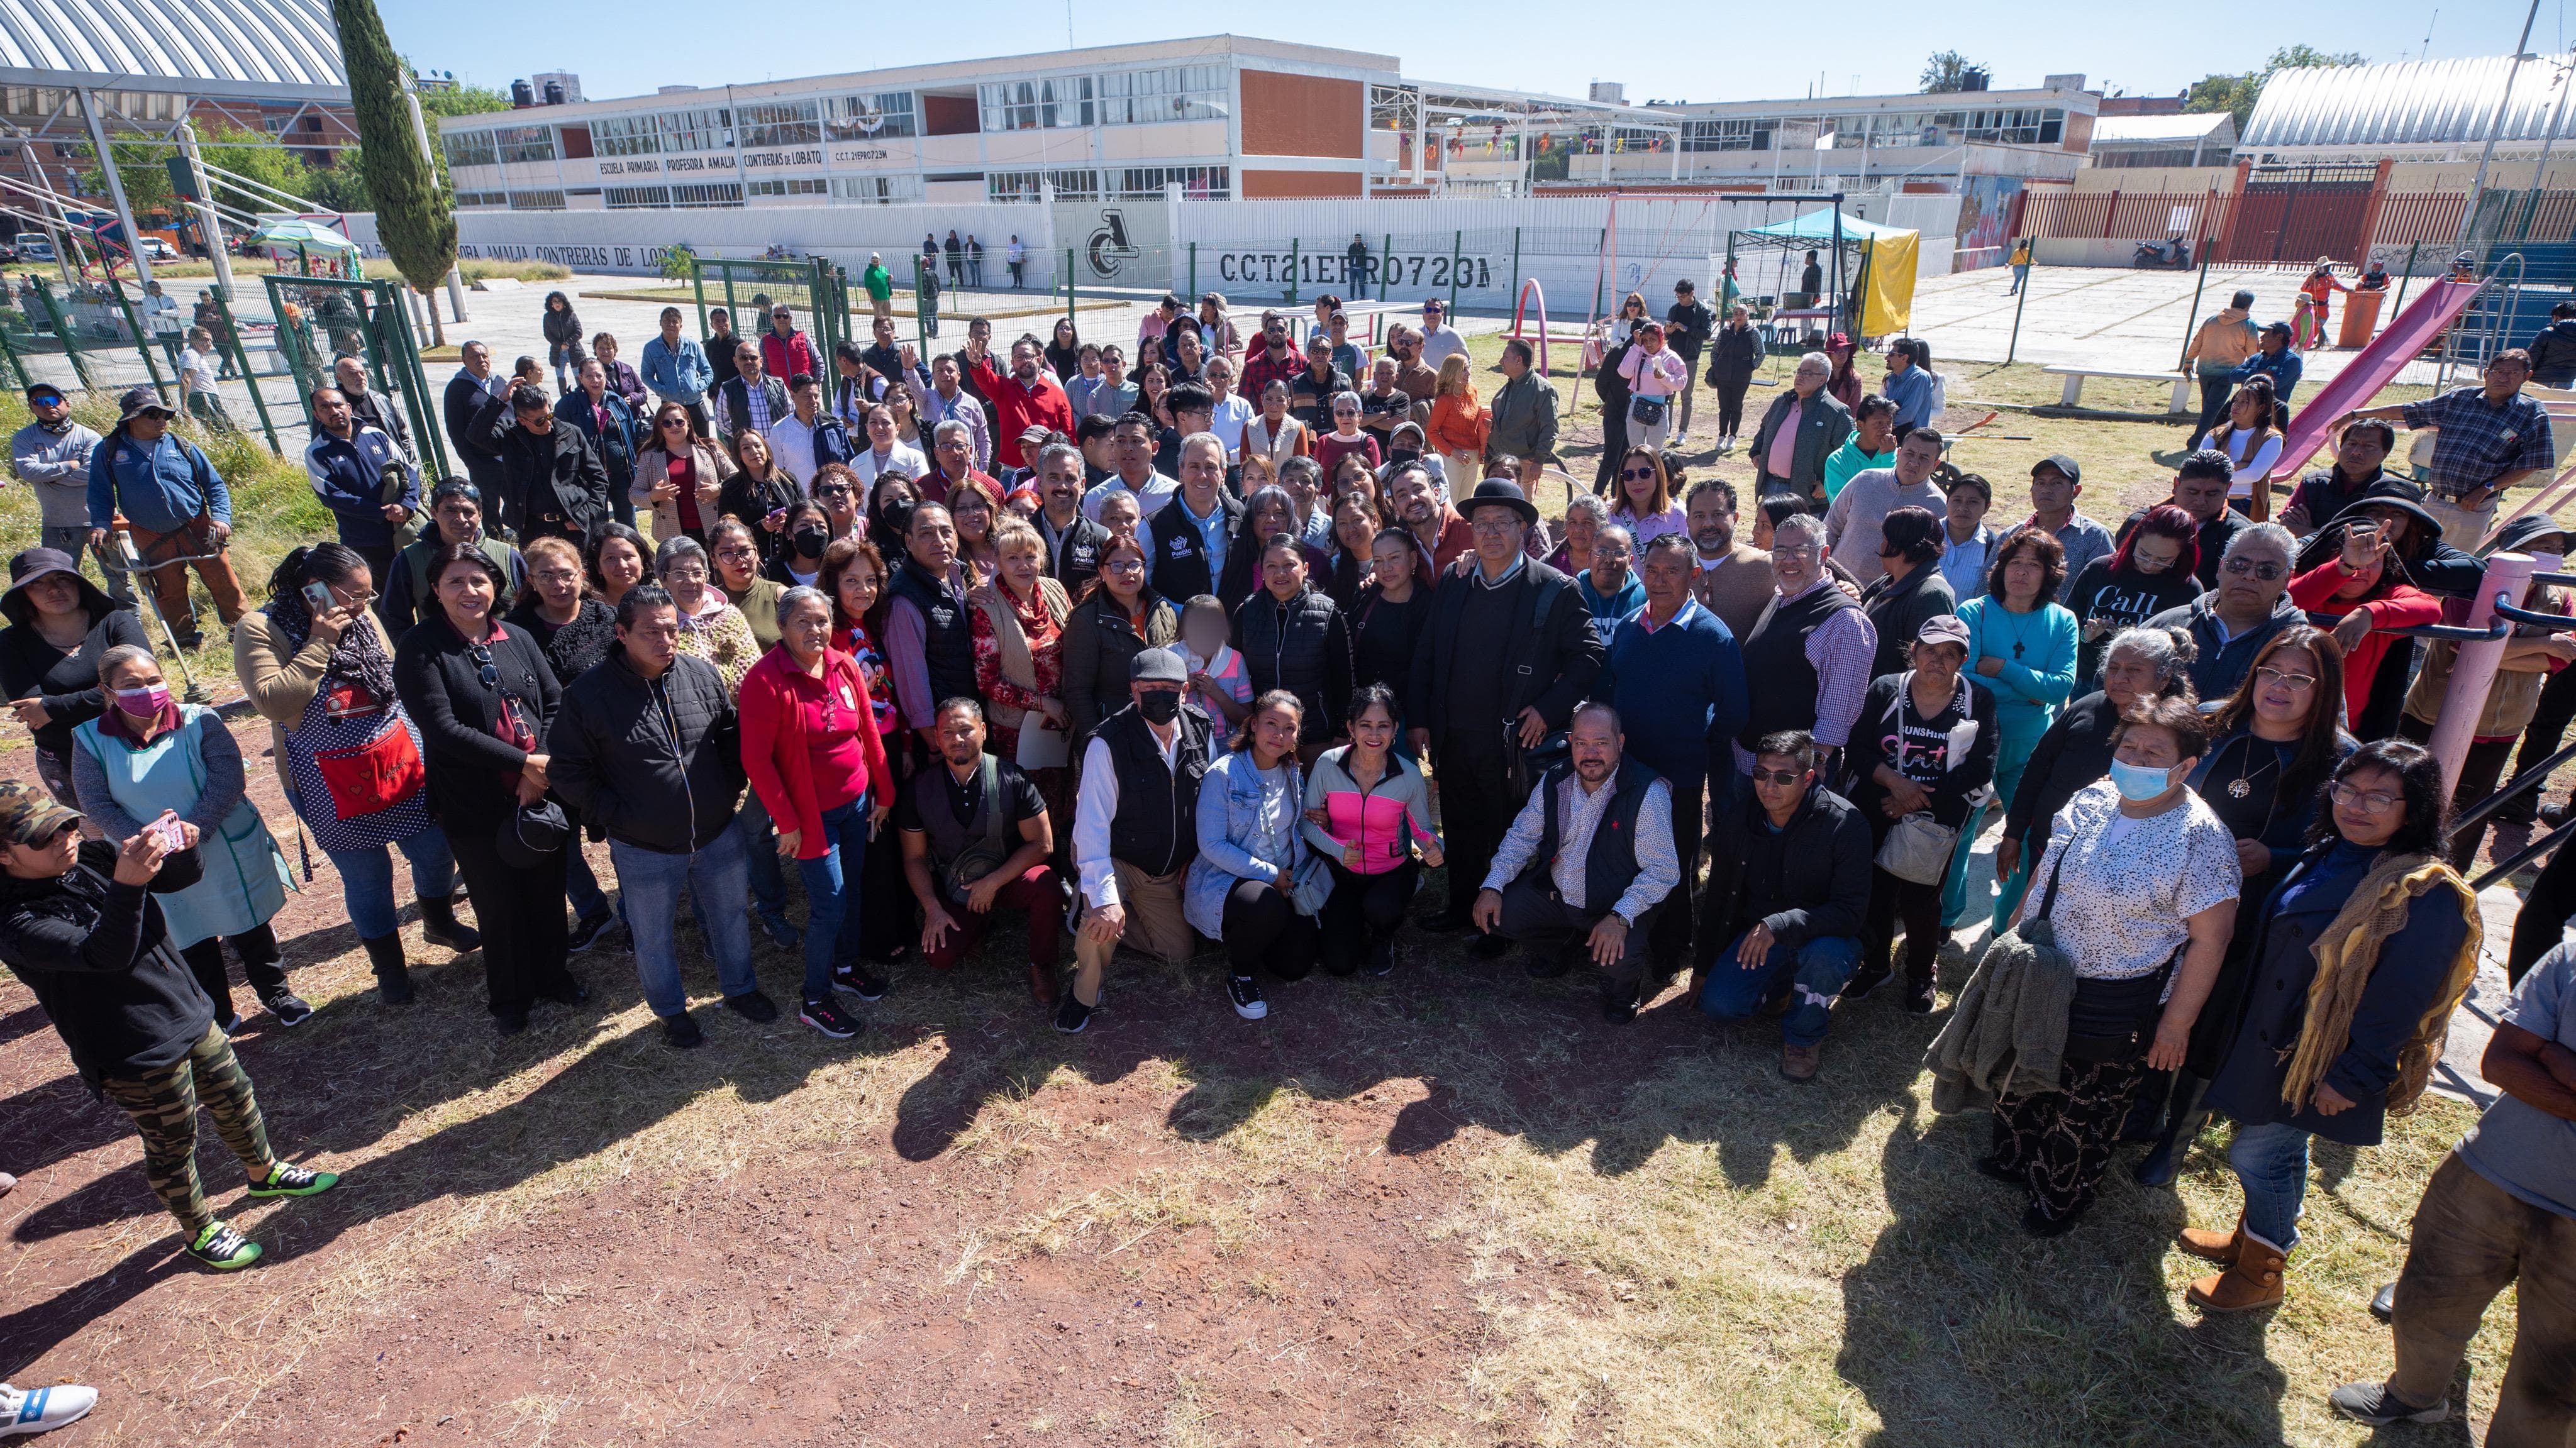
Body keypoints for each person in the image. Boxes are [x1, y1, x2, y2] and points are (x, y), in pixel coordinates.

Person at [2183, 741, 2478, 1311]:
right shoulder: (2331, 850)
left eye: (2379, 797)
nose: (2356, 805)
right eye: (2347, 789)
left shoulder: (2423, 892)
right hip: (2278, 1039)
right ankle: (2254, 1241)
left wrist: (2353, 1074)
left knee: (2256, 1155)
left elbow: (2400, 1000)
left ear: (2413, 810)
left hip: (2321, 1057)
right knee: (2279, 1149)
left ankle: (2265, 1273)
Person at [0, 780, 340, 1271]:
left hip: (187, 1010)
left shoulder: (91, 860)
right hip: (131, 1046)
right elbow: (104, 953)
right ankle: (198, 1228)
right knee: (173, 1140)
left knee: (235, 1095)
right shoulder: (16, 923)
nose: (65, 838)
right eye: (42, 836)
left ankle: (264, 1172)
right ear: (5, 857)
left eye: (67, 823)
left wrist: (182, 848)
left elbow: (174, 881)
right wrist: (128, 882)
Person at [1985, 695, 2240, 1235]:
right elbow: (2046, 871)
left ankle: (2060, 1195)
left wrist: (2175, 1025)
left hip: (2117, 994)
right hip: (2044, 967)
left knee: (2087, 1102)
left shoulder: (2200, 837)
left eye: (2155, 752)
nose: (2137, 760)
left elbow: (2211, 940)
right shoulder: (2094, 797)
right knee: (2025, 1071)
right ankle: (2014, 1157)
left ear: (2187, 765)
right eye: (2129, 745)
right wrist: (2012, 939)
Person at [2325, 933, 2576, 1437]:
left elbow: (2528, 1057)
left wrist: (2553, 1056)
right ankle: (2413, 1396)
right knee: (2426, 1297)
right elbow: (2502, 1062)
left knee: (2554, 1377)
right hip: (2490, 1169)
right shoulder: (2572, 957)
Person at [2131, 624, 2354, 1185]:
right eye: (2271, 672)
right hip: (2170, 896)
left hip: (2257, 915)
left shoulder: (2340, 758)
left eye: (2300, 678)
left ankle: (2174, 1142)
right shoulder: (2209, 720)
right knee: (2153, 1003)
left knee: (2211, 1026)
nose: (2280, 686)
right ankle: (2138, 1109)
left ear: (2324, 689)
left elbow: (2346, 847)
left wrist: (2274, 857)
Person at [235, 545, 476, 1007]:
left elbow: (392, 675)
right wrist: (320, 641)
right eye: (353, 597)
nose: (361, 607)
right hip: (325, 777)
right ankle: (390, 969)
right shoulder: (259, 628)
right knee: (368, 876)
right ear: (315, 589)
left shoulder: (362, 615)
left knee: (435, 849)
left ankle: (439, 923)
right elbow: (273, 702)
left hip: (396, 758)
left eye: (367, 596)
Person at [544, 584, 761, 1049]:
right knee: (653, 935)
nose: (665, 639)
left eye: (671, 629)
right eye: (651, 631)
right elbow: (566, 769)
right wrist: (616, 815)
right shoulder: (587, 695)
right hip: (643, 845)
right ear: (622, 633)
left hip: (717, 832)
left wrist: (728, 790)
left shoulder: (702, 675)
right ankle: (670, 1012)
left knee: (731, 916)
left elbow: (728, 737)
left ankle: (741, 989)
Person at [391, 543, 581, 1034]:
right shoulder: (421, 647)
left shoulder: (515, 635)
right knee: (498, 904)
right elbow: (443, 728)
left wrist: (536, 773)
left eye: (478, 580)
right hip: (473, 804)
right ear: (435, 589)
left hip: (538, 793)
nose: (469, 591)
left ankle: (553, 976)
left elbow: (556, 702)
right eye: (455, 581)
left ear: (494, 585)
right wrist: (524, 764)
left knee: (546, 890)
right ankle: (511, 998)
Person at [1407, 478, 1603, 931]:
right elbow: (1427, 654)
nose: (1491, 532)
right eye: (1482, 524)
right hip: (1453, 734)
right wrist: (1419, 719)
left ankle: (1498, 923)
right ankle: (1460, 909)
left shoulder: (1554, 589)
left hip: (1511, 741)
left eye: (1502, 523)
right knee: (1458, 823)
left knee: (1505, 831)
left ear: (1523, 530)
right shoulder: (1456, 582)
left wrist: (1549, 710)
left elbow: (1590, 656)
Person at [71, 644, 299, 1027]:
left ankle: (279, 996)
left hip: (221, 843)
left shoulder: (199, 719)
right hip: (150, 855)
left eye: (154, 680)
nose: (147, 691)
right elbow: (95, 801)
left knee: (249, 923)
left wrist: (198, 825)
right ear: (107, 691)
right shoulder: (90, 739)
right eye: (131, 684)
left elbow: (228, 777)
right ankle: (219, 1013)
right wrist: (145, 842)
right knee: (187, 931)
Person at [740, 587, 892, 1034]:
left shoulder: (844, 664)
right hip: (810, 817)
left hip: (857, 801)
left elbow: (868, 728)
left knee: (854, 890)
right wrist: (787, 822)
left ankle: (845, 968)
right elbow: (757, 761)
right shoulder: (765, 680)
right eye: (803, 621)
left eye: (822, 620)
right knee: (830, 903)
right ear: (782, 626)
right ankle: (815, 996)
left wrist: (884, 792)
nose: (815, 629)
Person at [1471, 702, 1679, 1020]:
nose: (1590, 752)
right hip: (1557, 894)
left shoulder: (1647, 793)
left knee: (1620, 961)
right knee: (1500, 916)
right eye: (1582, 743)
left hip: (1613, 905)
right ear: (1570, 742)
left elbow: (1663, 871)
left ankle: (1626, 989)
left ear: (1620, 742)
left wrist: (1620, 917)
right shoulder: (1555, 780)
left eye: (1601, 742)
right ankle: (1563, 944)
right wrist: (1493, 884)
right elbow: (1522, 836)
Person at [1600, 533, 1746, 978]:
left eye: (1673, 571)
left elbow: (1734, 711)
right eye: (1653, 570)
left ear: (1694, 576)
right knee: (1627, 855)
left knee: (1675, 862)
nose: (1660, 580)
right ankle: (1627, 933)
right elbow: (1610, 691)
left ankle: (1672, 946)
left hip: (1679, 776)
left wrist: (1698, 747)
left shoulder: (1713, 637)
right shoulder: (1627, 627)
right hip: (1628, 772)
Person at [1990, 624, 2199, 932]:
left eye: (2134, 670)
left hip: (2120, 870)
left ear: (2164, 678)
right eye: (2113, 668)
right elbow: (2036, 771)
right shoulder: (2086, 707)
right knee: (2031, 919)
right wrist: (2014, 833)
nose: (2119, 677)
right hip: (2046, 843)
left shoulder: (2175, 732)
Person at [1694, 727, 1871, 1078]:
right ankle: (1783, 989)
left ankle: (1804, 1039)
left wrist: (1781, 924)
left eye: (1783, 777)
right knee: (1719, 1007)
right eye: (1761, 774)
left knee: (1824, 958)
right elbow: (1718, 894)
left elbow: (1850, 913)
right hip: (1762, 938)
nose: (1768, 786)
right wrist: (1702, 967)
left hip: (1826, 938)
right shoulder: (1740, 819)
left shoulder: (1845, 824)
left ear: (1808, 778)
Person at [1843, 616, 1999, 1014]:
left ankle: (1920, 972)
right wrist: (1896, 784)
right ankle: (1876, 965)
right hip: (1878, 804)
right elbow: (1858, 749)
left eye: (1950, 654)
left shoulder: (1977, 699)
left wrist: (1914, 797)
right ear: (1913, 651)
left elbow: (1982, 765)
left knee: (1921, 899)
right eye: (1930, 650)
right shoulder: (1885, 689)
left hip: (1938, 813)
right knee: (1874, 893)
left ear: (1962, 660)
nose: (1938, 660)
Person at [1069, 649, 1219, 1032]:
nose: (1160, 696)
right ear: (1134, 692)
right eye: (1149, 687)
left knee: (1179, 953)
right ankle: (1084, 993)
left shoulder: (1201, 728)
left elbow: (1211, 805)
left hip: (1166, 868)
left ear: (1185, 691)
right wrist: (1103, 899)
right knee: (1099, 921)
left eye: (1169, 688)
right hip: (1117, 857)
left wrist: (1198, 856)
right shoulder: (1108, 742)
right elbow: (1092, 828)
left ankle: (1100, 914)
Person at [2397, 561, 2573, 866]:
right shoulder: (2468, 587)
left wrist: (2485, 652)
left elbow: (2560, 660)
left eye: (2557, 548)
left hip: (2502, 722)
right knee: (2410, 797)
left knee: (2471, 807)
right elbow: (2461, 643)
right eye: (2539, 545)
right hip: (2433, 712)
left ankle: (2450, 881)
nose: (2548, 554)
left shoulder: (2559, 598)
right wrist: (2546, 643)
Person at [1950, 528, 2078, 926]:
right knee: (1958, 835)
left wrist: (2004, 667)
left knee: (2025, 838)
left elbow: (2062, 686)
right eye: (2015, 562)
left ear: (2049, 574)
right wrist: (2029, 687)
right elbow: (1963, 677)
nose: (2021, 573)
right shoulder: (1975, 612)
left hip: (2030, 748)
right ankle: (1945, 918)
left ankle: (2010, 923)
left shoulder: (2062, 620)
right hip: (1974, 742)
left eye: (2033, 565)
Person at [896, 698, 1060, 1005]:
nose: (957, 739)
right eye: (947, 732)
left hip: (1007, 878)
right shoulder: (919, 789)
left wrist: (994, 882)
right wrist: (932, 908)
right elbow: (914, 858)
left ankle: (1043, 966)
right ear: (936, 737)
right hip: (955, 888)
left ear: (983, 731)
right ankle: (979, 926)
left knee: (1046, 884)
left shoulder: (1012, 778)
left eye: (966, 730)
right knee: (940, 958)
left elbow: (1043, 844)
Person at [1186, 690, 1322, 1019]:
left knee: (1293, 967)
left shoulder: (1292, 771)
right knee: (1265, 905)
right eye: (1271, 724)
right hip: (1229, 879)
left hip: (1285, 878)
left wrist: (1318, 819)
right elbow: (1212, 845)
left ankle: (1255, 934)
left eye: (1289, 729)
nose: (1279, 735)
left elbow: (1292, 828)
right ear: (1252, 725)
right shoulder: (1224, 772)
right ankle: (1241, 974)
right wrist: (1271, 875)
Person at [85, 387, 242, 649]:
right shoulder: (110, 450)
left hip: (197, 526)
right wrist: (101, 525)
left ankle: (242, 631)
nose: (161, 420)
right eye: (152, 415)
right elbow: (100, 493)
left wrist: (222, 518)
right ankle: (184, 641)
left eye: (164, 415)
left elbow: (214, 485)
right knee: (169, 590)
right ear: (131, 420)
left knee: (223, 579)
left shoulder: (182, 446)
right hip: (150, 533)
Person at [1302, 683, 1441, 977]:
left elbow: (1422, 829)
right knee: (1339, 965)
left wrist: (1435, 846)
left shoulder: (1409, 774)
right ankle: (1353, 921)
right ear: (1351, 727)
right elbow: (1306, 822)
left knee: (1380, 908)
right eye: (1365, 725)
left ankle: (1383, 934)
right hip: (1343, 873)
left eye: (1383, 726)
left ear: (1395, 730)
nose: (1374, 735)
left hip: (1391, 871)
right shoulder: (1328, 764)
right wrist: (1338, 850)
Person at [2349, 348, 2554, 544]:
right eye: (2498, 372)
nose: (2504, 378)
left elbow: (2533, 462)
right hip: (2435, 499)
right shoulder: (2460, 398)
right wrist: (2357, 414)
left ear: (2527, 376)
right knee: (2412, 553)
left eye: (2513, 373)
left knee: (2453, 566)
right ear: (2486, 373)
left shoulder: (2531, 413)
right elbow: (2413, 411)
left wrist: (2486, 489)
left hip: (2475, 506)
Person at [2, 547, 150, 810]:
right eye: (38, 583)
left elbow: (142, 691)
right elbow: (32, 713)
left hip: (140, 747)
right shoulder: (10, 642)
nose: (54, 589)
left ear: (79, 584)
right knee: (103, 845)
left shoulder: (117, 623)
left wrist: (53, 707)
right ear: (24, 593)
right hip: (66, 759)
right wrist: (109, 695)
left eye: (63, 579)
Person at [1733, 511, 1875, 787]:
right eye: (1781, 551)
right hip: (1753, 765)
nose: (1788, 560)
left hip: (1791, 779)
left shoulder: (1844, 619)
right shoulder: (1782, 597)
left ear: (1823, 553)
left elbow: (1839, 709)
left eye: (1801, 551)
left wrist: (1816, 767)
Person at [2288, 517, 2441, 732]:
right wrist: (2345, 566)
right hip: (2281, 716)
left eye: (2374, 561)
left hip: (2341, 728)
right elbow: (2287, 599)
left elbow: (2431, 608)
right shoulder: (2311, 582)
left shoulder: (2388, 595)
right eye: (2352, 559)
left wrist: (2369, 613)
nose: (2361, 570)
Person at [1235, 533, 1354, 757]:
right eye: (1271, 566)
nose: (1280, 573)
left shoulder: (1329, 614)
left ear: (1306, 568)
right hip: (1262, 738)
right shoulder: (1247, 612)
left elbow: (1345, 680)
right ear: (1262, 570)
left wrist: (1342, 731)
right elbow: (1235, 674)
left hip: (1316, 735)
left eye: (1289, 565)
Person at [970, 517, 1073, 773]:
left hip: (1064, 720)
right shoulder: (987, 608)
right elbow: (988, 682)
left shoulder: (1056, 590)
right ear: (998, 562)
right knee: (1026, 802)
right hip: (1018, 728)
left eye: (1030, 556)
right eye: (1012, 558)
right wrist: (1042, 703)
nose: (1023, 566)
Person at [2065, 503, 2201, 687]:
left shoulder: (2188, 590)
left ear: (2182, 554)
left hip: (2143, 689)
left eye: (2164, 560)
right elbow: (2069, 623)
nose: (2150, 565)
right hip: (2088, 679)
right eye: (2144, 554)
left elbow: (2189, 651)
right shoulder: (2100, 570)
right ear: (2134, 540)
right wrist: (2086, 636)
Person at [11, 383, 122, 607]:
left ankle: (128, 620)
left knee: (119, 577)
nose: (47, 407)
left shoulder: (89, 436)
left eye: (53, 401)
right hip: (57, 525)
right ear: (32, 409)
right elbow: (27, 471)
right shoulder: (24, 438)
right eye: (39, 403)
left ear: (67, 404)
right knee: (61, 580)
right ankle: (77, 621)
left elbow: (92, 474)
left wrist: (49, 475)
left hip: (99, 521)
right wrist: (70, 465)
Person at [1062, 533, 1179, 743]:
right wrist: (1096, 741)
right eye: (1117, 566)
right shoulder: (1087, 620)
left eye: (1135, 565)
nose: (1127, 573)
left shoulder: (1162, 609)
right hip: (1112, 732)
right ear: (1102, 571)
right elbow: (1077, 692)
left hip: (1162, 729)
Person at [380, 479, 524, 634]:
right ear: (434, 513)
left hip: (503, 649)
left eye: (469, 512)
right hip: (440, 653)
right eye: (450, 511)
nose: (461, 519)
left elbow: (531, 607)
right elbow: (394, 618)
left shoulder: (506, 555)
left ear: (480, 514)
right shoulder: (410, 559)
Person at [1825, 426, 1945, 589]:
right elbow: (1830, 528)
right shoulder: (1865, 480)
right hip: (1835, 582)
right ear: (1899, 453)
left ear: (1935, 465)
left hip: (1884, 596)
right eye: (1909, 454)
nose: (1914, 462)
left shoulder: (1939, 506)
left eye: (1924, 458)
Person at [494, 385, 610, 547]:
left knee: (581, 572)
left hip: (572, 525)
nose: (548, 424)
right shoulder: (511, 438)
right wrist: (498, 402)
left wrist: (589, 512)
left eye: (550, 416)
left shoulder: (571, 433)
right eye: (540, 421)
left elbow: (598, 477)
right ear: (522, 420)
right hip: (533, 528)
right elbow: (475, 435)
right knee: (539, 572)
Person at [1143, 434, 1241, 605]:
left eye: (1211, 467)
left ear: (1224, 474)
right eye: (1194, 467)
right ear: (1181, 472)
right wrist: (1183, 615)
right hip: (1178, 629)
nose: (1202, 475)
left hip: (1233, 628)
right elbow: (1143, 589)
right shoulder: (1154, 526)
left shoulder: (1239, 515)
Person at [1748, 352, 1853, 509]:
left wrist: (1827, 483)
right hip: (1770, 484)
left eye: (1808, 373)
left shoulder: (1835, 412)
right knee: (1768, 532)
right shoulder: (1782, 402)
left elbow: (1848, 454)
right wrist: (1756, 452)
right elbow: (1765, 428)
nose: (1800, 377)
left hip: (1806, 495)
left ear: (1822, 379)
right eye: (1799, 371)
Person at [1859, 507, 1955, 677]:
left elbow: (1926, 668)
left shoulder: (1932, 595)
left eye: (1884, 539)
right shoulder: (1890, 579)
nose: (1881, 546)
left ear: (1896, 544)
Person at [1680, 478, 1775, 642]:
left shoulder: (1766, 566)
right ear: (1688, 521)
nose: (1707, 524)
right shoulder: (1677, 567)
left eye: (1718, 514)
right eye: (1699, 516)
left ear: (1735, 518)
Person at [2278, 419, 2403, 536]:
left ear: (2385, 454)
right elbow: (2287, 528)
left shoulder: (2390, 494)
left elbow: (2378, 541)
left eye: (2368, 446)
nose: (2356, 451)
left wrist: (2310, 533)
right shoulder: (2313, 483)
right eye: (2351, 444)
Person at [555, 360, 638, 531]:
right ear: (581, 378)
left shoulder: (617, 402)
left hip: (621, 476)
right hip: (590, 479)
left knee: (628, 525)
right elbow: (559, 441)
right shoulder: (567, 405)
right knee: (598, 527)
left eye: (599, 375)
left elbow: (632, 435)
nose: (595, 380)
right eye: (589, 376)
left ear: (605, 377)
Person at [2023, 455, 2114, 602]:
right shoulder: (2013, 534)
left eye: (2056, 483)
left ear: (2075, 491)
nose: (2046, 490)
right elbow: (1987, 584)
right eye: (2040, 483)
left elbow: (2103, 590)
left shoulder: (2094, 536)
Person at [2182, 290, 2262, 448]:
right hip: (2228, 372)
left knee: (2209, 406)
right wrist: (2253, 372)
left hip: (2205, 368)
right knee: (2212, 408)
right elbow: (2253, 353)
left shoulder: (2212, 320)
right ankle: (2198, 440)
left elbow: (2198, 341)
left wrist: (2189, 361)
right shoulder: (2248, 325)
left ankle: (2209, 437)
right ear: (2248, 305)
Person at [443, 341, 511, 512]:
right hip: (482, 462)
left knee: (517, 504)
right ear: (464, 360)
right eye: (475, 356)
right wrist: (471, 461)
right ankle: (495, 537)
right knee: (489, 509)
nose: (481, 360)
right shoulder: (456, 389)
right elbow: (455, 431)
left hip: (509, 457)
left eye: (484, 356)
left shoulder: (499, 382)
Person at [1082, 412, 1180, 524]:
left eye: (1136, 441)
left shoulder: (1174, 495)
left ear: (1154, 448)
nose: (1128, 448)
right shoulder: (1096, 497)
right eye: (1121, 441)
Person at [640, 307, 714, 439]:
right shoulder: (651, 348)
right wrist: (663, 390)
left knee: (703, 444)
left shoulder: (692, 345)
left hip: (695, 404)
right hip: (670, 406)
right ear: (660, 323)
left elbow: (708, 372)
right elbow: (646, 375)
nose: (671, 324)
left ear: (681, 325)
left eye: (675, 321)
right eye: (667, 321)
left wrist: (698, 387)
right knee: (674, 445)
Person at [1618, 321, 1689, 455]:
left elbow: (1681, 384)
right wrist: (1636, 346)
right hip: (1636, 406)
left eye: (1653, 339)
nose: (1649, 344)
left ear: (1661, 339)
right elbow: (1624, 372)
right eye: (1645, 340)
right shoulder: (1638, 352)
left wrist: (1664, 377)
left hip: (1659, 409)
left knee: (1655, 455)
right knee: (1636, 453)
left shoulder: (1671, 357)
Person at [1607, 446, 1685, 560]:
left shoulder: (1679, 516)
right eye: (1629, 475)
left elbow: (1686, 563)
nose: (1637, 481)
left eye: (1645, 473)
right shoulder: (1607, 514)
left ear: (1659, 474)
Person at [1428, 356, 1490, 497]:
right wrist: (1453, 452)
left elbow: (1474, 423)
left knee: (1466, 500)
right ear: (1452, 372)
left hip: (1473, 456)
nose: (1468, 373)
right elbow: (1432, 432)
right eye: (1464, 369)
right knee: (1450, 499)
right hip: (1452, 458)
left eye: (1468, 368)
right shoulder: (1444, 400)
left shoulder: (1472, 391)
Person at [1937, 471, 1999, 605]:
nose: (1963, 508)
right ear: (1947, 501)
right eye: (1957, 500)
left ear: (1987, 507)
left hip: (1964, 625)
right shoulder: (1926, 533)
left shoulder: (1993, 547)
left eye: (1973, 502)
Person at [1823, 396, 1899, 506]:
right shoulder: (1838, 461)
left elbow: (1899, 496)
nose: (1886, 429)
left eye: (1889, 423)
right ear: (1860, 425)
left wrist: (1888, 458)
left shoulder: (1898, 456)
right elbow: (1842, 507)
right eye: (1879, 423)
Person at [1577, 524, 1645, 644]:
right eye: (1602, 551)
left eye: (1619, 553)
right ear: (1590, 556)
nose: (1609, 559)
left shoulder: (1645, 600)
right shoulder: (1571, 594)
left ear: (1630, 562)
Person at [175, 328, 236, 434]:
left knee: (225, 429)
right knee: (224, 431)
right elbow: (186, 378)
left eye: (210, 341)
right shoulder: (191, 355)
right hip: (203, 397)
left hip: (207, 397)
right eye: (205, 340)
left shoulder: (196, 355)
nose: (209, 344)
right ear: (193, 339)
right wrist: (184, 406)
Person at [1878, 338, 1936, 436]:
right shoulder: (1893, 378)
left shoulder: (1920, 378)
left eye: (1892, 354)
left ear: (1904, 358)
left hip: (1911, 439)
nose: (1886, 357)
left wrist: (1882, 427)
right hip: (1895, 434)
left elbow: (1907, 415)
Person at [541, 290, 584, 392]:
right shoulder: (547, 317)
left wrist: (567, 343)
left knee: (578, 375)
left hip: (574, 350)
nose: (557, 304)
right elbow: (548, 335)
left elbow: (579, 332)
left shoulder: (571, 315)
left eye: (559, 301)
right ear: (551, 304)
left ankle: (582, 395)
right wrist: (560, 345)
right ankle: (564, 398)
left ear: (564, 303)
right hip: (557, 351)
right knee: (560, 375)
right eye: (554, 302)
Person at [2529, 297, 2576, 388]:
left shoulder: (2548, 333)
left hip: (2538, 381)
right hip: (2567, 382)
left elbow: (2532, 359)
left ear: (2556, 317)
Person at [1415, 299, 1465, 371]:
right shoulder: (1414, 335)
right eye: (1428, 310)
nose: (1432, 314)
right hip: (1420, 381)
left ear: (1442, 314)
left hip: (1446, 382)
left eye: (1436, 310)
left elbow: (1466, 360)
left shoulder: (1453, 336)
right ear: (1423, 313)